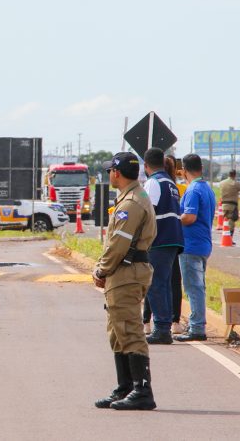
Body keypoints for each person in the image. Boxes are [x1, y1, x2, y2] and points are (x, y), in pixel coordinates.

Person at [93, 152, 157, 411]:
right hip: (124, 272)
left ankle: (142, 390)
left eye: (111, 170)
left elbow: (118, 243)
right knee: (118, 330)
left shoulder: (131, 203)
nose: (109, 174)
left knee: (129, 329)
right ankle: (126, 387)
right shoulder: (133, 197)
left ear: (116, 173)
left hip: (126, 272)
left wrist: (101, 270)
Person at [141, 148, 184, 345]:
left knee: (155, 284)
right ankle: (164, 326)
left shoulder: (154, 182)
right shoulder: (171, 183)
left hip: (160, 239)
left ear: (146, 166)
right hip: (173, 238)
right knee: (164, 283)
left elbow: (147, 212)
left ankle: (161, 328)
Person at [175, 153, 216, 342]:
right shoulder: (207, 188)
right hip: (203, 243)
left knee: (193, 287)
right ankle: (196, 324)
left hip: (191, 245)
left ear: (184, 170)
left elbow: (189, 217)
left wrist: (174, 219)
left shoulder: (192, 190)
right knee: (198, 286)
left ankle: (197, 327)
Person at [165, 155, 186, 335]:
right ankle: (175, 321)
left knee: (156, 282)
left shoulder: (156, 185)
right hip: (178, 238)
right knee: (174, 280)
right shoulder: (180, 188)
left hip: (159, 240)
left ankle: (149, 321)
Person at [218, 170, 240, 243]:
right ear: (234, 175)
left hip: (223, 204)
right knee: (231, 221)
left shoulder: (222, 183)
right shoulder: (235, 183)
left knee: (225, 220)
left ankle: (224, 236)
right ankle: (229, 238)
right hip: (232, 205)